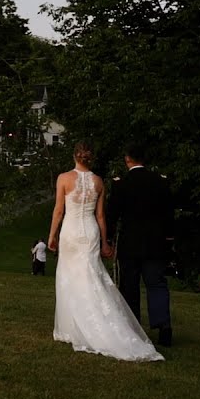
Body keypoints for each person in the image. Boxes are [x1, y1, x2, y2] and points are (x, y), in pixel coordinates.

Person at [48, 141, 163, 362]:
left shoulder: (64, 178)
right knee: (92, 276)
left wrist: (52, 235)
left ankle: (73, 327)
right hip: (90, 231)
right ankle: (90, 323)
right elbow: (101, 217)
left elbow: (59, 210)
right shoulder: (98, 181)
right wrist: (104, 242)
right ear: (89, 158)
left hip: (71, 232)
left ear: (75, 156)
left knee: (70, 277)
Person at [105, 144, 176, 347]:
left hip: (130, 243)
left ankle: (133, 328)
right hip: (156, 242)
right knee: (157, 284)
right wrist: (169, 238)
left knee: (130, 286)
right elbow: (169, 214)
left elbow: (112, 215)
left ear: (127, 159)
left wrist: (108, 239)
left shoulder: (121, 184)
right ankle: (164, 327)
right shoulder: (160, 182)